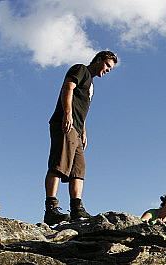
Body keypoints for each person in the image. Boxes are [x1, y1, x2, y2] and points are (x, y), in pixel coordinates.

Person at [43, 50, 118, 226]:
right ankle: (51, 209)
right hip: (65, 123)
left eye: (110, 68)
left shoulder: (91, 84)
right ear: (98, 60)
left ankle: (76, 209)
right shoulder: (81, 70)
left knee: (78, 169)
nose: (107, 70)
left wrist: (83, 130)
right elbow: (68, 88)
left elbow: (81, 109)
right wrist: (67, 114)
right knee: (59, 163)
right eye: (107, 65)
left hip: (77, 128)